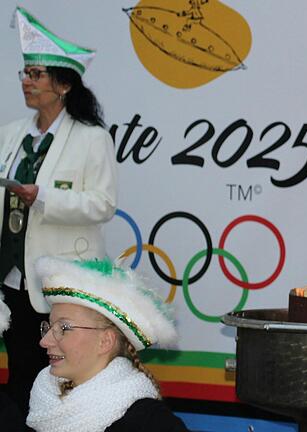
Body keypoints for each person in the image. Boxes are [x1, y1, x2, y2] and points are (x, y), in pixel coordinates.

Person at [0, 7, 118, 416]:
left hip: (60, 284)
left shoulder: (91, 138)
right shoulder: (12, 134)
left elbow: (102, 204)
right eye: (24, 74)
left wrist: (44, 196)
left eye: (36, 75)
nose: (27, 82)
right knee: (18, 377)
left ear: (63, 84)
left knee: (59, 379)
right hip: (12, 281)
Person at [16, 256, 187, 432]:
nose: (44, 341)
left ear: (105, 341)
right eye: (49, 327)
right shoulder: (43, 398)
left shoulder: (147, 421)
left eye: (64, 328)